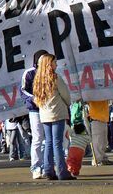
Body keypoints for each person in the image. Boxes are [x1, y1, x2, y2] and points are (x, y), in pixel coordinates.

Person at [32, 53, 75, 181]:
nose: (56, 64)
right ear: (49, 64)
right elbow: (65, 95)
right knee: (58, 143)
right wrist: (68, 104)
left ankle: (48, 170)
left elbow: (36, 98)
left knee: (49, 143)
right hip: (57, 113)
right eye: (54, 62)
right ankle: (62, 171)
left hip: (44, 115)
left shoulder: (38, 80)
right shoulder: (55, 78)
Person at [21, 49, 48, 179]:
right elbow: (23, 91)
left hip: (49, 109)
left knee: (47, 140)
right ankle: (36, 167)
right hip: (34, 110)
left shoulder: (50, 72)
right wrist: (34, 98)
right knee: (38, 138)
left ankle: (46, 166)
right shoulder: (29, 73)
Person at [67, 101, 91, 176]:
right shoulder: (86, 136)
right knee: (78, 161)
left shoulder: (73, 133)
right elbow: (90, 140)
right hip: (81, 150)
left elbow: (68, 134)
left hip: (73, 148)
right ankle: (76, 171)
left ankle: (70, 168)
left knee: (71, 160)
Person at [87, 100, 112, 166]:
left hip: (104, 119)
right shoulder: (92, 93)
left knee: (104, 142)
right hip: (96, 119)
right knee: (97, 141)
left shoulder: (104, 93)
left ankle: (103, 157)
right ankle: (97, 160)